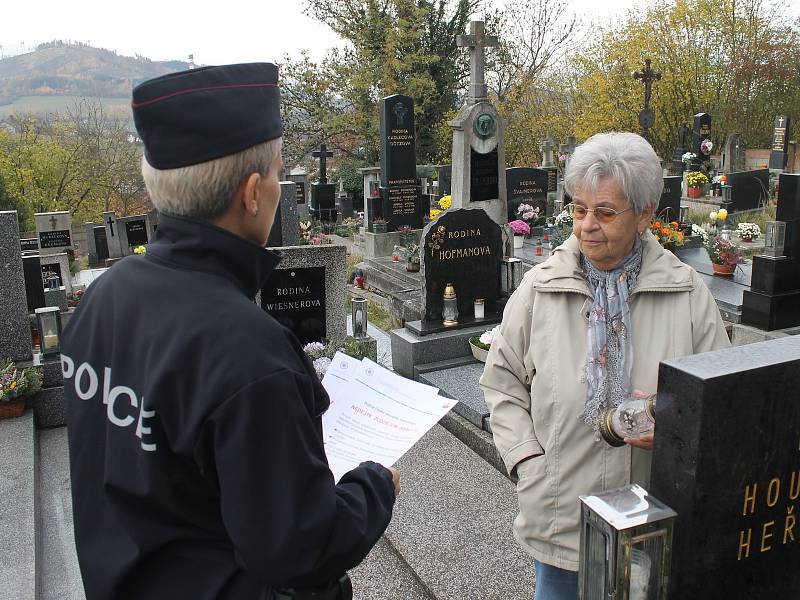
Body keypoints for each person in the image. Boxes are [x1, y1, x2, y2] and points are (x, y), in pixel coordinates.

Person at [61, 63, 399, 600]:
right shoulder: (248, 352)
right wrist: (375, 486)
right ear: (251, 193)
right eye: (278, 173)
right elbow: (298, 549)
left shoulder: (106, 295)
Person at [479, 132, 729, 600]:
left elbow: (720, 399)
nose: (586, 226)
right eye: (579, 209)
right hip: (562, 516)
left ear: (646, 213)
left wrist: (678, 432)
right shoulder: (540, 290)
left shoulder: (687, 294)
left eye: (606, 212)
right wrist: (528, 461)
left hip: (652, 519)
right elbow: (502, 381)